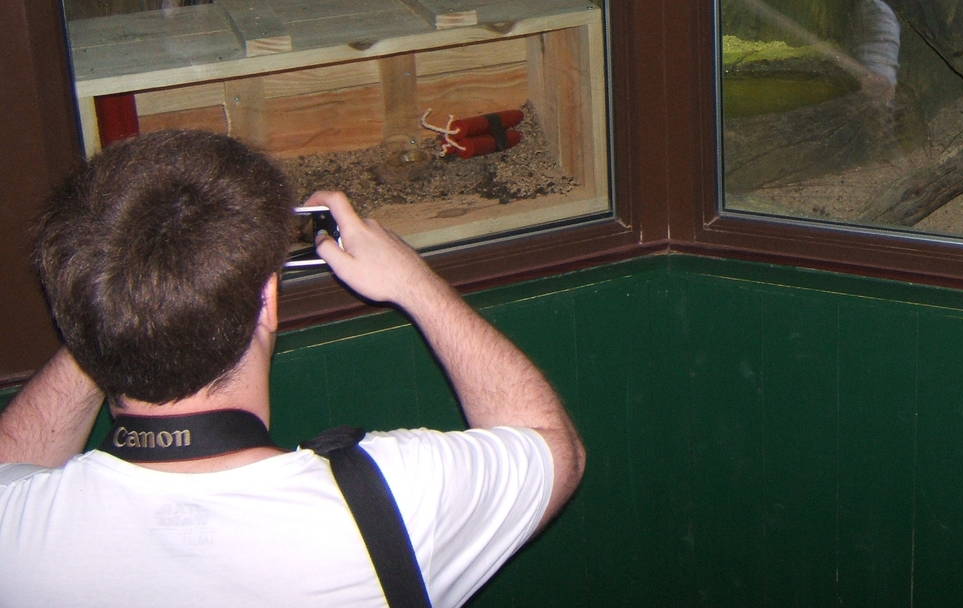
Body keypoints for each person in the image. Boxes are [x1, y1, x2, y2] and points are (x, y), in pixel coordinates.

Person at [0, 130, 584, 607]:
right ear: (268, 302)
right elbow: (554, 447)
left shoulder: (16, 531)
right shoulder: (389, 503)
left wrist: (116, 312)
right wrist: (413, 281)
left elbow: (13, 460)